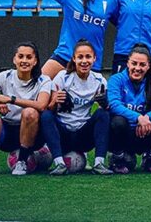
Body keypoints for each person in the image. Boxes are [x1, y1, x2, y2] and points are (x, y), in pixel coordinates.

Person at [0, 0, 117, 77]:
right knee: (39, 84)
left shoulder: (111, 1)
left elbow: (123, 22)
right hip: (64, 55)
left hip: (90, 61)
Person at [0, 42, 52, 175]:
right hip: (6, 132)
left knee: (30, 112)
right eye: (20, 56)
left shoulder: (43, 80)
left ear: (35, 61)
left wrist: (11, 99)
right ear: (14, 59)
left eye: (29, 57)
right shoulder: (5, 76)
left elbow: (42, 105)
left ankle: (22, 162)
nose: (24, 61)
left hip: (33, 135)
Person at [40, 40, 112, 175]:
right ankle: (59, 163)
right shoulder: (62, 77)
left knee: (103, 114)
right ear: (74, 58)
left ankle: (99, 163)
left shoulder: (99, 80)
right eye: (80, 57)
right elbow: (49, 109)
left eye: (88, 57)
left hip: (83, 136)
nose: (84, 61)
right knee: (46, 116)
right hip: (63, 134)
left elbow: (105, 110)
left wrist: (104, 103)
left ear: (94, 58)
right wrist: (55, 101)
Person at [107, 44, 151, 174]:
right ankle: (118, 159)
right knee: (117, 121)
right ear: (128, 63)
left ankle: (150, 160)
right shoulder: (116, 79)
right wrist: (138, 118)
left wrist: (148, 118)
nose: (137, 68)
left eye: (142, 65)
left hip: (146, 131)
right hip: (125, 132)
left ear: (149, 66)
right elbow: (114, 105)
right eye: (134, 63)